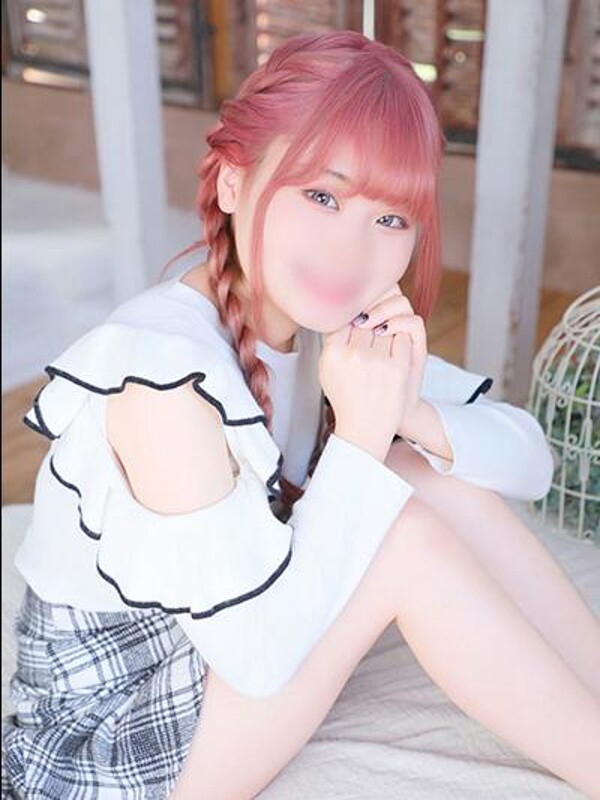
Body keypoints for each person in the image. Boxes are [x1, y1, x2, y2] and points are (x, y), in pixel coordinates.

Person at [3, 29, 600, 800]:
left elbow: (530, 462)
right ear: (231, 182)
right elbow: (259, 658)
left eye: (391, 218)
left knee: (413, 469)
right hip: (103, 744)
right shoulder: (162, 381)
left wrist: (402, 409)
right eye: (322, 196)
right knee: (402, 537)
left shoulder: (325, 330)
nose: (351, 249)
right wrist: (359, 437)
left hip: (216, 664)